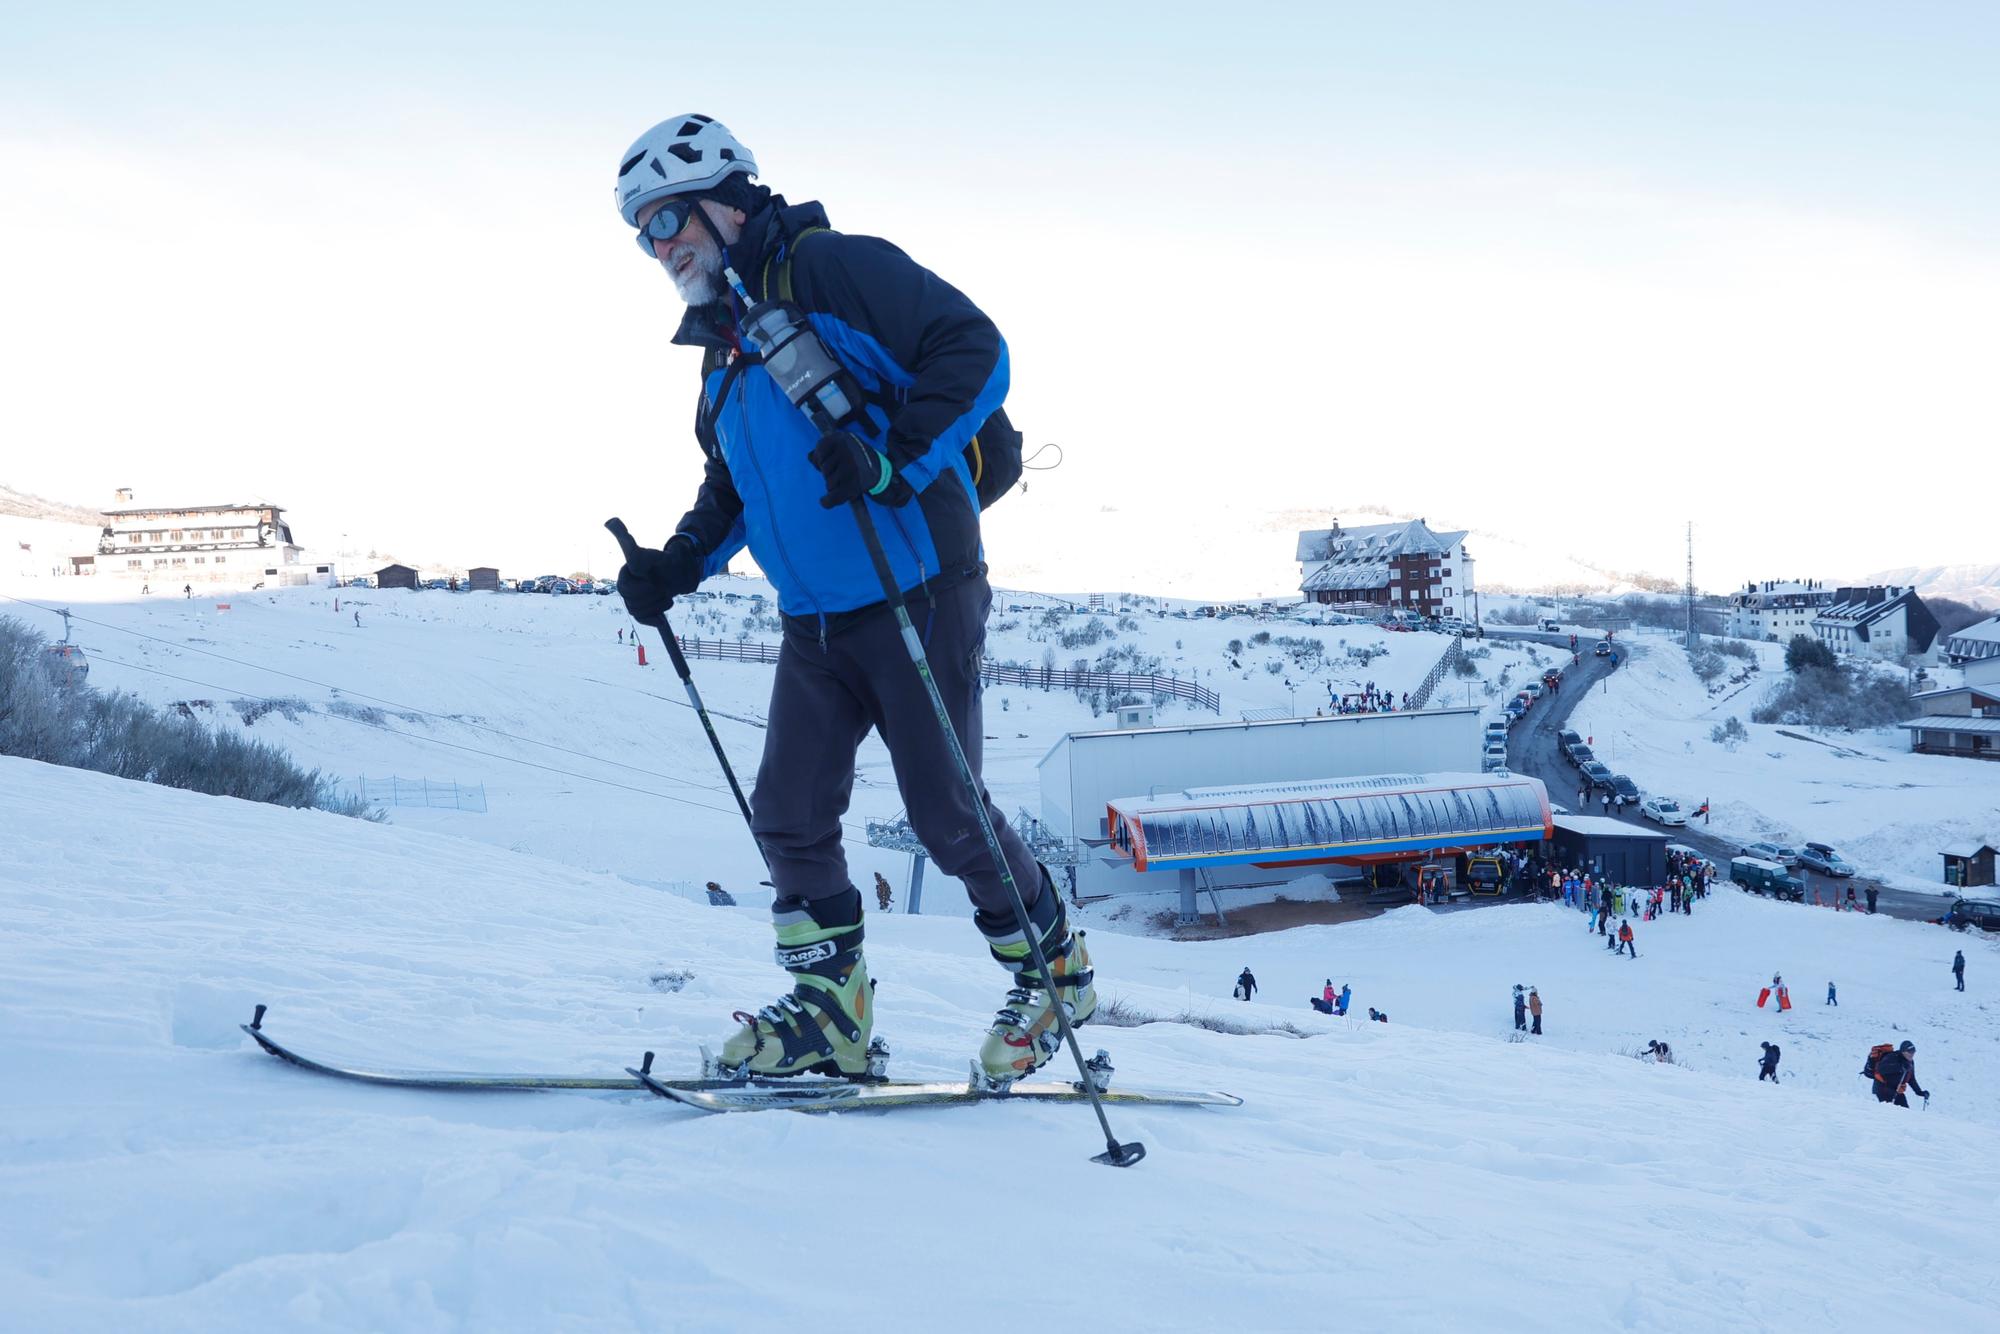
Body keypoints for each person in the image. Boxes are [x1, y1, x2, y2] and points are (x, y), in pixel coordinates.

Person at [608, 115, 1072, 1084]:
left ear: (723, 199)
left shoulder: (830, 271)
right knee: (785, 809)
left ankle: (1052, 974)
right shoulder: (720, 350)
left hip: (914, 587)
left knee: (945, 813)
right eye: (644, 233)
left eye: (666, 221)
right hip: (813, 616)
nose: (659, 248)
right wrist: (677, 562)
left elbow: (974, 349)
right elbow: (735, 485)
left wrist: (891, 457)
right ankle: (831, 1009)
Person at [1870, 1040, 1928, 1108]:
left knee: (1905, 1111)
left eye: (1913, 1052)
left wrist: (1919, 1092)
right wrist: (1900, 1067)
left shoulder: (1910, 1062)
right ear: (1903, 1052)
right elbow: (1881, 1069)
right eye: (1909, 1052)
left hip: (1896, 1091)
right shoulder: (1892, 1057)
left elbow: (1911, 1079)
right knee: (1889, 1111)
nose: (1912, 1054)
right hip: (1882, 1089)